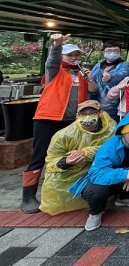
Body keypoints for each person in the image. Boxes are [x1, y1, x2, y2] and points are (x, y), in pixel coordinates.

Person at [20, 34, 97, 214]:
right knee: (39, 156)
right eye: (69, 55)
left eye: (76, 55)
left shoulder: (81, 73)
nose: (73, 58)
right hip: (48, 119)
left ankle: (63, 191)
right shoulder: (54, 70)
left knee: (69, 156)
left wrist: (90, 78)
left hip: (72, 122)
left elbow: (93, 90)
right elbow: (52, 60)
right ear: (62, 56)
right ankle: (28, 197)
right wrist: (57, 44)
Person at [70, 108, 129, 231]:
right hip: (106, 178)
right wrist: (125, 174)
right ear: (123, 133)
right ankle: (95, 213)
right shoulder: (110, 145)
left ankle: (125, 198)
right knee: (96, 190)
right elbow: (96, 173)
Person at [39, 100, 116, 216]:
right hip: (72, 170)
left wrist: (86, 153)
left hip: (99, 169)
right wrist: (65, 162)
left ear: (100, 113)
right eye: (83, 114)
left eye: (92, 113)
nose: (88, 117)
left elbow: (113, 149)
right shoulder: (63, 135)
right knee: (54, 178)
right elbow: (51, 160)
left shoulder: (112, 128)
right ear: (76, 116)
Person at [90, 41, 129, 122]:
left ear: (121, 52)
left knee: (112, 125)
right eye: (109, 51)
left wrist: (111, 77)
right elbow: (92, 77)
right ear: (103, 52)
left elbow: (124, 75)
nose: (112, 53)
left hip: (114, 106)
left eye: (115, 51)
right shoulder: (98, 65)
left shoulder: (125, 65)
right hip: (95, 104)